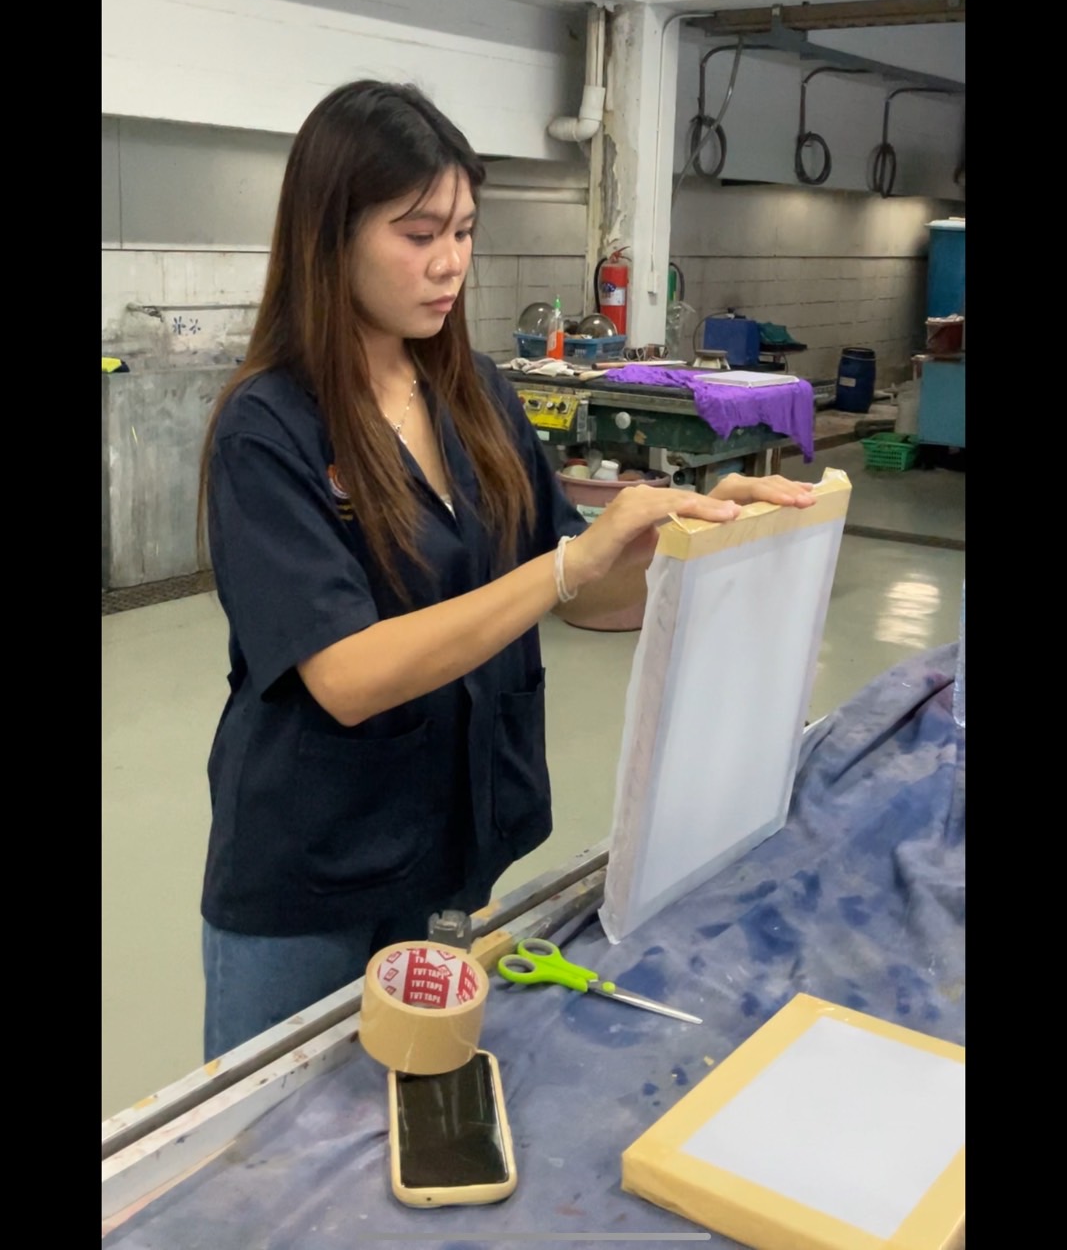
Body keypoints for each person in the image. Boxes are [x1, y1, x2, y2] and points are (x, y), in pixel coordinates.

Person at [197, 79, 815, 1058]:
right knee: (271, 1134)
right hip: (313, 868)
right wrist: (568, 566)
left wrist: (704, 535)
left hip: (455, 839)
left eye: (463, 231)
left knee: (423, 1091)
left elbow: (582, 587)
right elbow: (347, 674)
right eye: (417, 234)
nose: (450, 262)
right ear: (331, 237)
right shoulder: (268, 428)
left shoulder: (472, 392)